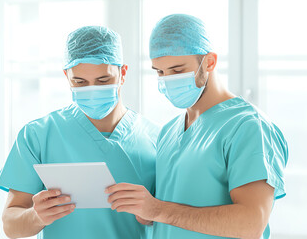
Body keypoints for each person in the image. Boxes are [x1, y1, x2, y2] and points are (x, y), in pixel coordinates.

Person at [106, 14, 288, 239]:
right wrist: (147, 213)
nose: (167, 80)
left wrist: (159, 210)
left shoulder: (248, 127)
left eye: (177, 70)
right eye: (160, 72)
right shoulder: (168, 132)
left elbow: (251, 224)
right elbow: (169, 212)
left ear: (210, 62)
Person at [0, 26, 159, 239]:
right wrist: (36, 216)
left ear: (122, 73)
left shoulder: (156, 138)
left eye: (103, 81)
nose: (92, 89)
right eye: (80, 82)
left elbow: (168, 216)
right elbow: (11, 225)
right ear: (66, 77)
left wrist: (152, 214)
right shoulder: (38, 136)